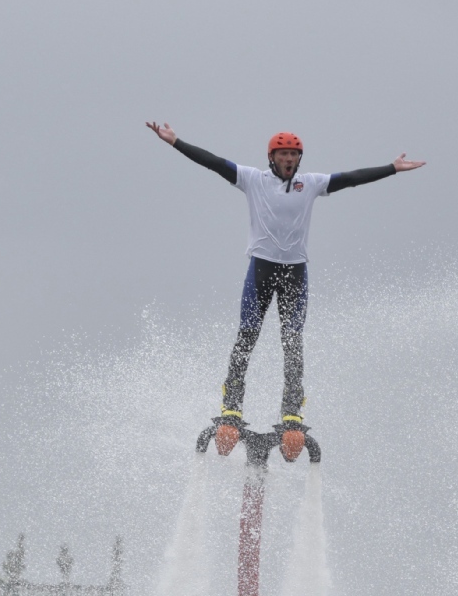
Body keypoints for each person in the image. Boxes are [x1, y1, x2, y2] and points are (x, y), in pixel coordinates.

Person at [147, 121, 425, 460]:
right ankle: (231, 406)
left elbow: (350, 178)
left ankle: (291, 412)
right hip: (260, 271)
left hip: (295, 273)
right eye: (283, 154)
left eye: (294, 154)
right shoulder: (253, 179)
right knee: (246, 337)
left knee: (292, 343)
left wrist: (392, 168)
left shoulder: (310, 184)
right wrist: (176, 142)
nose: (289, 159)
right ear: (272, 157)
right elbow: (214, 162)